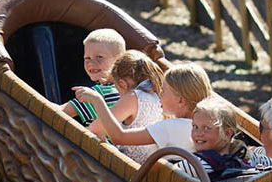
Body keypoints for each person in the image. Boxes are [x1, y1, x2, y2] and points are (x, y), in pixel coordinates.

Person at [72, 62, 211, 155]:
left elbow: (119, 137)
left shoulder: (171, 126)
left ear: (180, 100)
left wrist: (98, 101)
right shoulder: (201, 126)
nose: (159, 95)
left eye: (163, 91)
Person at [175, 95, 272, 180]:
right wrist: (259, 150)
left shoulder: (195, 164)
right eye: (195, 126)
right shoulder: (246, 157)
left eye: (207, 128)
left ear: (228, 133)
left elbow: (164, 176)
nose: (198, 133)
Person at [88, 50, 165, 163]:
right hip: (151, 166)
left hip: (133, 170)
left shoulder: (134, 97)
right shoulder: (157, 94)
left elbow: (94, 129)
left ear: (122, 84)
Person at [60, 28, 126, 124]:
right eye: (87, 58)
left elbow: (58, 112)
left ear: (119, 59)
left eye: (99, 57)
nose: (91, 63)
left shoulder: (99, 93)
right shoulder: (128, 88)